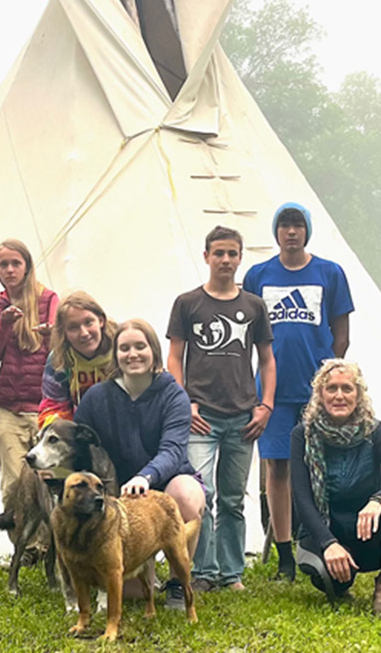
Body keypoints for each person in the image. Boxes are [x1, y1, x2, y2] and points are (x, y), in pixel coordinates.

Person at [241, 202, 355, 582]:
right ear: (276, 232)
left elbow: (341, 332)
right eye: (285, 225)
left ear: (307, 231)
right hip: (272, 391)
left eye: (297, 225)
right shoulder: (259, 275)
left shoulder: (329, 273)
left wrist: (329, 374)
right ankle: (285, 554)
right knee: (277, 467)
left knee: (323, 465)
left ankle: (325, 540)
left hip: (317, 390)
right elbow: (249, 333)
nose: (291, 232)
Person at [167, 226, 275, 592]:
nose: (225, 260)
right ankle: (202, 571)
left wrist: (266, 405)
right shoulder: (188, 303)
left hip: (243, 417)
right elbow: (175, 356)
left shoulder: (254, 305)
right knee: (202, 495)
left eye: (232, 253)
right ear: (206, 257)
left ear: (240, 257)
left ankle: (232, 573)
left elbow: (267, 359)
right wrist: (183, 404)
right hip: (201, 417)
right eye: (219, 253)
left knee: (232, 498)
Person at [75, 318, 205, 611]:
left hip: (166, 481)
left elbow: (173, 450)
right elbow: (81, 447)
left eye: (139, 346)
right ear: (115, 355)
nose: (132, 354)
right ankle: (141, 575)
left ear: (154, 351)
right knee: (130, 594)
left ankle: (176, 582)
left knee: (186, 496)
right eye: (124, 348)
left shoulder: (174, 395)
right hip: (120, 495)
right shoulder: (96, 397)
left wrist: (145, 476)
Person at [290, 360, 381, 622]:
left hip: (367, 531)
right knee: (330, 582)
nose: (339, 395)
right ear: (320, 394)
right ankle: (339, 577)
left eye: (347, 389)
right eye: (331, 389)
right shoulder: (302, 435)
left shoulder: (374, 431)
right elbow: (302, 500)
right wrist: (328, 544)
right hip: (326, 533)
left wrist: (379, 500)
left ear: (358, 395)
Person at [0, 239, 58, 506]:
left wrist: (50, 336)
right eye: (4, 264)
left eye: (16, 263)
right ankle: (22, 546)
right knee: (13, 485)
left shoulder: (48, 299)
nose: (10, 270)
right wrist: (4, 325)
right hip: (10, 409)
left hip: (45, 408)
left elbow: (61, 356)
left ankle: (48, 546)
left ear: (27, 267)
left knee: (48, 483)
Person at [36, 291, 118, 426]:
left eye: (89, 322)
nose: (84, 333)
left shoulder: (122, 345)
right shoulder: (59, 360)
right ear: (64, 333)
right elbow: (52, 407)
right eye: (73, 327)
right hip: (84, 431)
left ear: (101, 320)